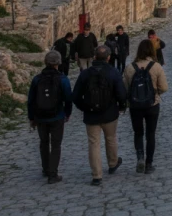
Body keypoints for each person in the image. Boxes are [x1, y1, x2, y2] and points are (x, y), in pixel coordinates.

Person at [72, 45, 126, 186]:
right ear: (108, 57)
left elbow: (76, 95)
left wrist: (84, 107)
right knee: (111, 138)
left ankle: (97, 175)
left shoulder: (85, 74)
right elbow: (121, 93)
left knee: (94, 143)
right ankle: (113, 163)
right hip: (110, 113)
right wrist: (122, 107)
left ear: (94, 57)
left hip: (91, 114)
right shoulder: (113, 72)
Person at [123, 39, 169, 174]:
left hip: (135, 105)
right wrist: (154, 93)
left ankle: (140, 157)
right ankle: (149, 164)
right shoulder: (156, 66)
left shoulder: (130, 67)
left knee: (138, 133)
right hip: (152, 104)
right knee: (151, 133)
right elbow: (164, 87)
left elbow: (125, 88)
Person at [27, 51, 73, 184]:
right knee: (56, 144)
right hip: (57, 115)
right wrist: (67, 113)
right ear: (58, 63)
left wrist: (32, 118)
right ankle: (53, 174)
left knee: (44, 143)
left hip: (40, 116)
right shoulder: (62, 79)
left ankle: (46, 168)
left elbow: (31, 100)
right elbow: (68, 98)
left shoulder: (37, 79)